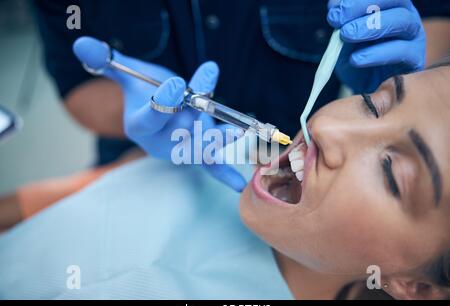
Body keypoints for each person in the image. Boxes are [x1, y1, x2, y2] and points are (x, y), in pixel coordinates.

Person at [1, 59, 450, 300]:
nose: (327, 128)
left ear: (420, 287)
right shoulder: (239, 150)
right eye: (373, 103)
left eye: (392, 171)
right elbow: (88, 193)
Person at [33, 0, 450, 191]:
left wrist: (391, 85)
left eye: (392, 171)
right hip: (147, 164)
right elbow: (79, 86)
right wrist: (142, 107)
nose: (329, 133)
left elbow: (432, 19)